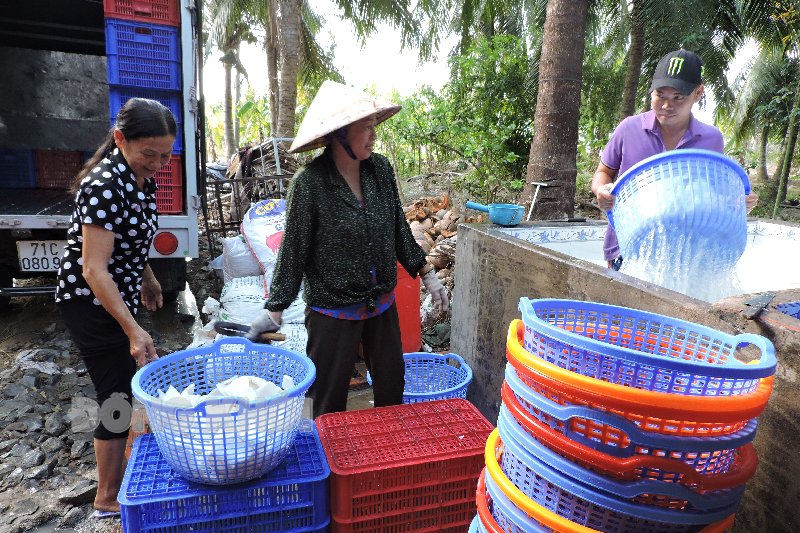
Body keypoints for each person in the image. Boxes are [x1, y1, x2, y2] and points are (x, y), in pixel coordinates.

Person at [247, 81, 449, 418]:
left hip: (381, 303)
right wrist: (275, 310)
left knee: (392, 387)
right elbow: (293, 251)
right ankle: (330, 451)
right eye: (366, 127)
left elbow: (397, 227)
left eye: (374, 126)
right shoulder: (309, 184)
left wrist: (427, 273)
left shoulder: (379, 170)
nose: (374, 135)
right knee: (327, 400)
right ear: (340, 134)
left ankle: (386, 446)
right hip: (332, 311)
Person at [55, 98, 177, 514]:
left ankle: (119, 471)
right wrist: (132, 329)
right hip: (90, 301)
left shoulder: (141, 179)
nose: (158, 164)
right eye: (149, 154)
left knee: (122, 384)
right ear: (120, 138)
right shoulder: (104, 184)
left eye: (166, 155)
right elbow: (93, 268)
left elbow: (131, 238)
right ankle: (107, 496)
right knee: (115, 395)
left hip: (117, 294)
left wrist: (147, 277)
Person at [591, 49, 758, 270]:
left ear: (698, 93)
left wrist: (738, 203)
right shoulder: (629, 128)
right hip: (627, 246)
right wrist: (601, 190)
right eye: (660, 95)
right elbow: (603, 172)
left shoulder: (711, 139)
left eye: (678, 97)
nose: (666, 106)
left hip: (686, 252)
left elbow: (713, 195)